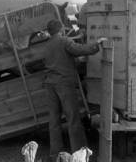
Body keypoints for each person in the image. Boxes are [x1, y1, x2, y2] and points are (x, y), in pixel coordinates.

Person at [43, 19, 106, 161]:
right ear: (61, 30)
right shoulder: (64, 41)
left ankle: (55, 154)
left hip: (50, 84)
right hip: (64, 84)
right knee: (73, 118)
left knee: (54, 121)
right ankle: (79, 152)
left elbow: (57, 60)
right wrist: (97, 44)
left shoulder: (46, 45)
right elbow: (80, 49)